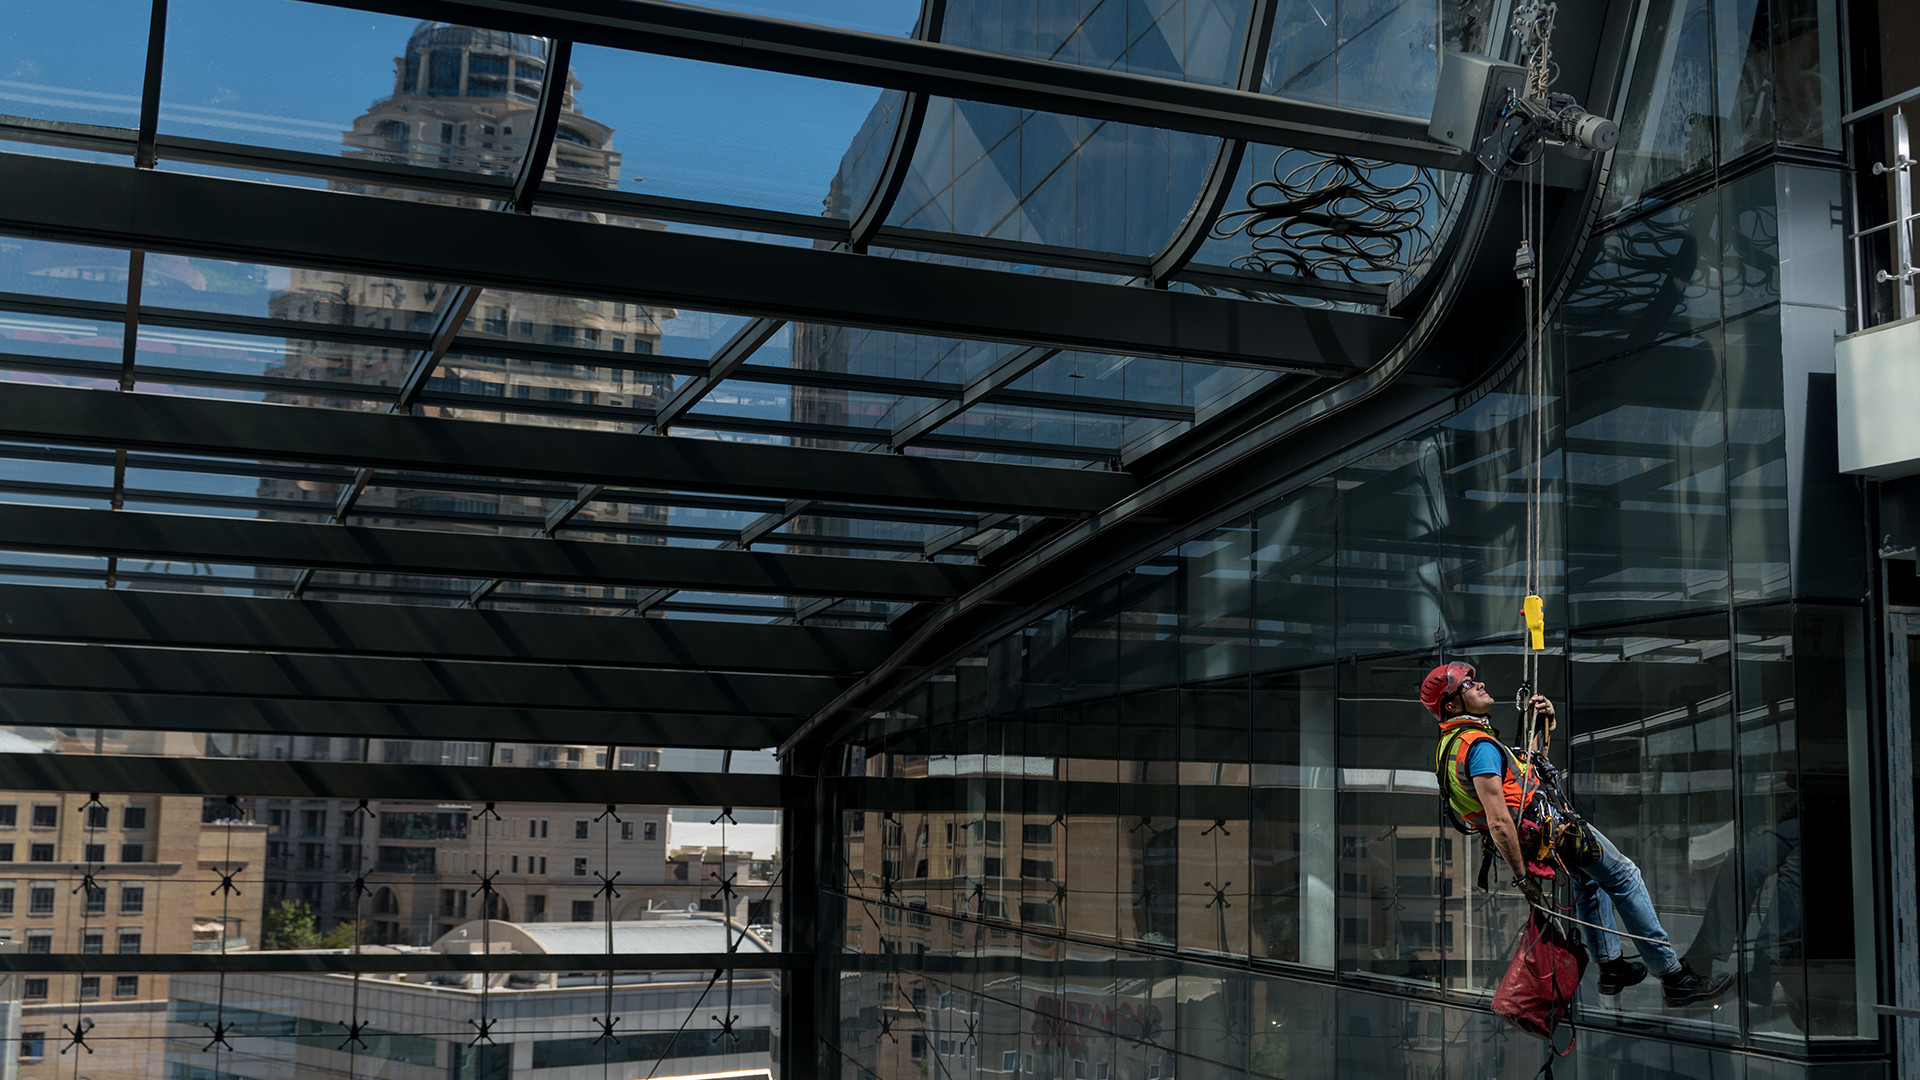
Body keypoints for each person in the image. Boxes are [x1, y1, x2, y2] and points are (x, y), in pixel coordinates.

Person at [1420, 662, 1733, 1008]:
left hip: (1540, 836)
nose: (1479, 684)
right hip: (1552, 831)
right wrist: (1523, 879)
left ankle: (1611, 965)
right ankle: (1674, 976)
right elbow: (1498, 821)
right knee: (1624, 875)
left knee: (1590, 881)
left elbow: (1521, 779)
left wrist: (1542, 724)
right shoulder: (1478, 747)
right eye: (1468, 685)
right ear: (1452, 705)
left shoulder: (1450, 745)